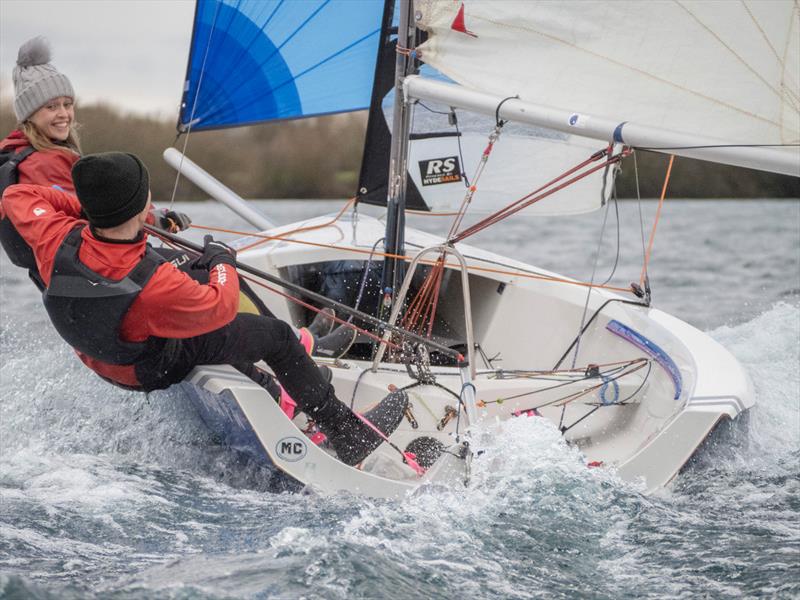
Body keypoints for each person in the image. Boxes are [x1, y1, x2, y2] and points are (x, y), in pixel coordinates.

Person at [2, 152, 407, 466]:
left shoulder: (53, 236)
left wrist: (94, 212)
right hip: (150, 364)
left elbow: (17, 195)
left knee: (191, 271)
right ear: (137, 202)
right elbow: (220, 305)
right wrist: (222, 262)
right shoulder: (158, 285)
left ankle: (290, 375)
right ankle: (346, 434)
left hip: (103, 356)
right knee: (273, 337)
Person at [0, 36, 190, 290]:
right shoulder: (44, 162)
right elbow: (99, 213)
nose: (63, 114)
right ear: (30, 115)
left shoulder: (20, 152)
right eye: (51, 106)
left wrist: (154, 214)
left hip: (67, 281)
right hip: (98, 274)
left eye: (67, 104)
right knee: (204, 268)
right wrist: (155, 220)